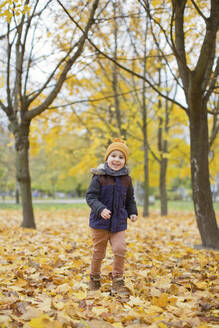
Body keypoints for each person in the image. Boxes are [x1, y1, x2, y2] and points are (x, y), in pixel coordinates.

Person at [86, 138, 138, 295]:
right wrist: (100, 209)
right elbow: (90, 197)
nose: (117, 160)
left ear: (125, 161)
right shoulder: (99, 177)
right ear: (107, 158)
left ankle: (118, 280)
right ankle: (94, 279)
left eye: (121, 157)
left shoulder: (126, 179)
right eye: (113, 156)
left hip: (118, 224)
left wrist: (133, 212)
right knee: (98, 252)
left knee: (120, 249)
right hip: (100, 223)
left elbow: (130, 199)